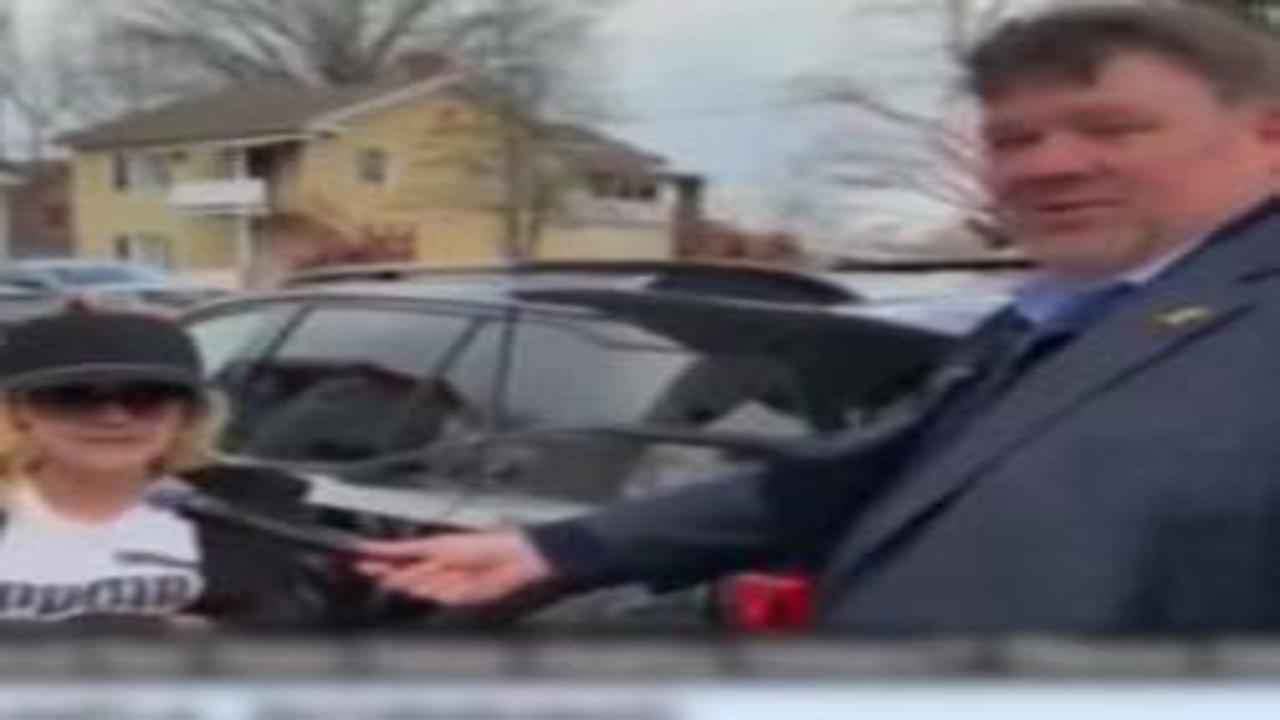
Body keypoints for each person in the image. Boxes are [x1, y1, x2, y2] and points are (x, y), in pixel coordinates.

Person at [358, 2, 1280, 632]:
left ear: (1267, 135)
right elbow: (861, 478)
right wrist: (564, 546)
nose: (1048, 165)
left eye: (1113, 129)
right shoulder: (1053, 320)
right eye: (1015, 139)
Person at [0, 310, 408, 629]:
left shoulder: (254, 513)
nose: (114, 417)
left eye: (147, 396)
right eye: (74, 397)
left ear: (187, 414)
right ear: (19, 412)